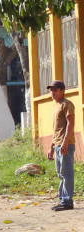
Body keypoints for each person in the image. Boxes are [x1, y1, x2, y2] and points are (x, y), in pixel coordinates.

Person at [46, 80, 75, 211]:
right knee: (60, 173)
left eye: (55, 90)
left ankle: (68, 201)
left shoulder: (67, 104)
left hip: (65, 144)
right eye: (51, 90)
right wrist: (51, 147)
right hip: (57, 144)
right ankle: (63, 199)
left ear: (62, 91)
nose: (52, 92)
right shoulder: (56, 106)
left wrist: (65, 142)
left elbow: (70, 124)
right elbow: (56, 129)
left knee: (66, 172)